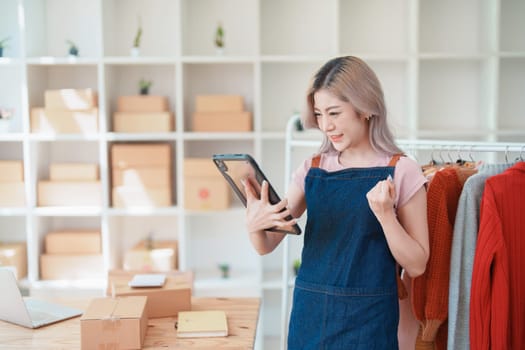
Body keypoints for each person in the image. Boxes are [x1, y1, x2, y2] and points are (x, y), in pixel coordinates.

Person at [243, 56, 429, 349]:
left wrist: (385, 216)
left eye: (334, 113)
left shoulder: (402, 169)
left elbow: (417, 265)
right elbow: (266, 245)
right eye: (319, 114)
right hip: (310, 314)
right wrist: (254, 225)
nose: (326, 125)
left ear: (365, 108)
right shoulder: (312, 169)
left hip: (368, 321)